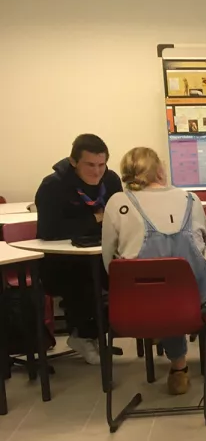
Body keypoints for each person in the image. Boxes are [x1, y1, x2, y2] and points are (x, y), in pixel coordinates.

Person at [102, 148, 206, 396]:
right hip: (193, 303)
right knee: (179, 287)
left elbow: (108, 263)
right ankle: (178, 366)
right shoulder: (190, 199)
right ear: (160, 170)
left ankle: (170, 352)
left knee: (157, 291)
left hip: (135, 306)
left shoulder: (117, 202)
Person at [35, 133, 123, 364]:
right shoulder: (53, 186)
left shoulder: (111, 180)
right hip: (61, 262)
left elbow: (120, 217)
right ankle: (82, 335)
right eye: (90, 165)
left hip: (101, 252)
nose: (97, 171)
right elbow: (49, 230)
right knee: (85, 278)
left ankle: (94, 333)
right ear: (73, 162)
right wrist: (95, 218)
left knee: (128, 276)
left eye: (101, 165)